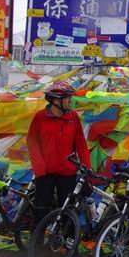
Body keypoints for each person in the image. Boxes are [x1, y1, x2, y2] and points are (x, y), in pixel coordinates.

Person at [26, 81, 91, 222]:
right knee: (41, 210)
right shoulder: (40, 117)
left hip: (67, 172)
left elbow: (81, 145)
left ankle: (65, 242)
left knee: (67, 211)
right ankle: (36, 241)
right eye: (68, 98)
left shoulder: (73, 118)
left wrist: (87, 169)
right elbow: (32, 143)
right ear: (56, 100)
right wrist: (40, 168)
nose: (70, 101)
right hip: (45, 172)